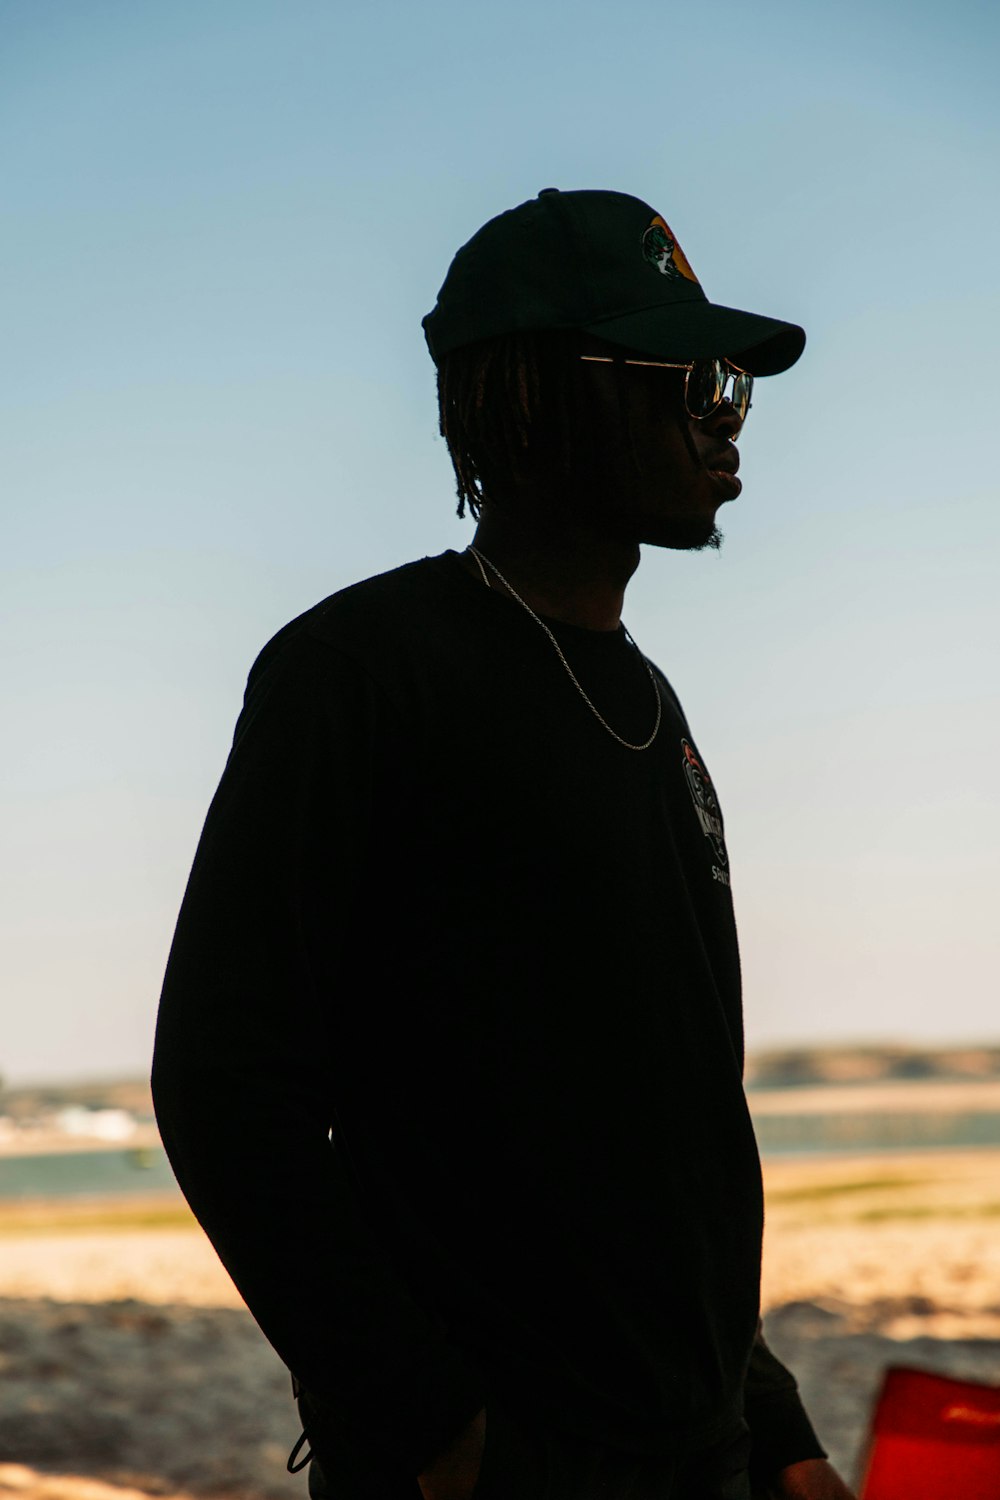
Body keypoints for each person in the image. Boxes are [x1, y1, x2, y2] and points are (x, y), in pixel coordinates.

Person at [151, 188, 856, 1500]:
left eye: (734, 383)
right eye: (685, 372)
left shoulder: (651, 712)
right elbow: (227, 1088)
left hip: (697, 1459)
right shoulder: (362, 672)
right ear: (542, 394)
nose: (723, 409)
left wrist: (774, 1425)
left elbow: (671, 1120)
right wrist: (436, 1434)